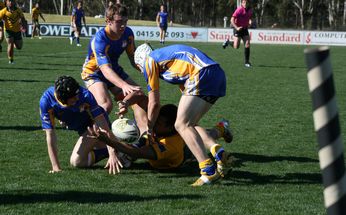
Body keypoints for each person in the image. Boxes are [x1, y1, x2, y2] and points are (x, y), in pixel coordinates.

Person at [134, 43, 231, 186]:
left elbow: (154, 103)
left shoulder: (149, 61)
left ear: (139, 63)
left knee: (181, 124)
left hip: (202, 73)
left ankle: (208, 171)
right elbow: (185, 88)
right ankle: (217, 151)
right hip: (216, 74)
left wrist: (149, 129)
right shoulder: (166, 61)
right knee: (190, 124)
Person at [88, 104, 233, 172]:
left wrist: (108, 141)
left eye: (159, 123)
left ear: (170, 127)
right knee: (139, 142)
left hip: (181, 154)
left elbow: (137, 152)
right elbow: (141, 103)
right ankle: (221, 128)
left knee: (203, 138)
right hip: (168, 138)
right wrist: (128, 100)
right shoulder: (160, 129)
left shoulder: (169, 146)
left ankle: (221, 128)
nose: (154, 124)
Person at [81, 3, 147, 134]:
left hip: (114, 70)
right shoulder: (100, 39)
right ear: (108, 21)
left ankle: (144, 136)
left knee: (140, 97)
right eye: (119, 22)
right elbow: (105, 70)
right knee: (106, 105)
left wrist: (148, 70)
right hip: (94, 73)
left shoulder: (128, 34)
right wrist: (123, 85)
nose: (123, 25)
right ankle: (90, 134)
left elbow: (134, 58)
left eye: (125, 21)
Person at [39, 75, 122, 174]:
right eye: (74, 97)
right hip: (83, 130)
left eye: (77, 94)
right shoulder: (46, 101)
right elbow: (50, 135)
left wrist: (112, 153)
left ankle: (119, 150)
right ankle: (121, 149)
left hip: (94, 127)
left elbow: (102, 125)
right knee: (82, 160)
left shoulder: (85, 95)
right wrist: (55, 167)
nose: (77, 98)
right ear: (63, 98)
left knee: (76, 161)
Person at [222, 0, 252, 68]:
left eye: (246, 3)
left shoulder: (250, 10)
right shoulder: (239, 9)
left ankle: (247, 62)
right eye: (244, 2)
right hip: (237, 29)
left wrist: (250, 22)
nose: (245, 4)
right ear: (242, 3)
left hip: (244, 29)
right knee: (236, 46)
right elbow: (232, 20)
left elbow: (249, 17)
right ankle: (228, 42)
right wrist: (237, 27)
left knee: (247, 44)